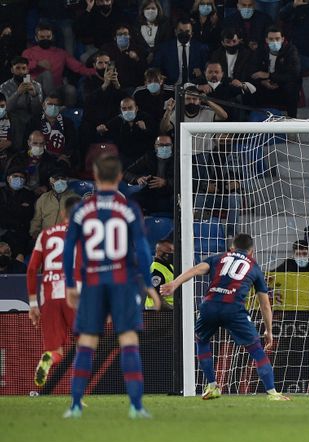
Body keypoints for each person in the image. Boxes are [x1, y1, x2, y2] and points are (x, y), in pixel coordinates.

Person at [61, 156, 162, 419]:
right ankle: (136, 406)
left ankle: (74, 405)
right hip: (122, 281)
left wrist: (71, 284)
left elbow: (69, 248)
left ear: (94, 174)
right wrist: (147, 281)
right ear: (119, 178)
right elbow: (142, 249)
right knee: (127, 339)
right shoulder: (128, 209)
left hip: (93, 281)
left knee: (87, 341)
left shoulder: (82, 210)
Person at [160, 233, 290, 402]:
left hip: (210, 305)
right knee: (256, 350)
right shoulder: (254, 267)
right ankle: (273, 393)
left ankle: (213, 386)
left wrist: (174, 283)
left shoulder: (218, 258)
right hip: (234, 309)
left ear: (232, 248)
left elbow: (196, 270)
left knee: (202, 341)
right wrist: (269, 331)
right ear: (252, 252)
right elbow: (265, 304)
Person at [26, 195, 82, 388]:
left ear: (63, 213)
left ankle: (48, 359)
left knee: (55, 350)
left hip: (50, 298)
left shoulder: (46, 234)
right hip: (75, 296)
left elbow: (32, 269)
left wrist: (33, 305)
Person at [22, 23, 96, 106]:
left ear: (52, 37)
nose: (45, 39)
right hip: (36, 88)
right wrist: (37, 64)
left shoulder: (61, 53)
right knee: (46, 74)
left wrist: (97, 71)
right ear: (36, 38)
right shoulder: (28, 52)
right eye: (42, 37)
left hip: (57, 87)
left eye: (48, 37)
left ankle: (67, 115)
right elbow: (22, 69)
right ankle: (51, 104)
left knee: (70, 90)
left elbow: (78, 67)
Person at [251, 27, 301, 118]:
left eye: (277, 39)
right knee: (249, 87)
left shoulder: (290, 50)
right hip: (264, 86)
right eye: (271, 39)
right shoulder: (260, 51)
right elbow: (253, 72)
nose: (274, 42)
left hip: (282, 85)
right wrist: (262, 82)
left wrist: (269, 76)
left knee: (292, 87)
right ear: (266, 40)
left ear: (282, 39)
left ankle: (292, 120)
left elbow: (293, 74)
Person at [96, 96, 157, 168]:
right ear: (121, 110)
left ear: (136, 108)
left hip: (143, 155)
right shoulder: (118, 120)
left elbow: (154, 136)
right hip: (124, 156)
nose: (127, 111)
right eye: (124, 109)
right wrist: (100, 130)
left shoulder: (146, 118)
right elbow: (105, 131)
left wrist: (145, 129)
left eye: (130, 108)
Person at [124, 135, 175, 215]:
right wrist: (137, 179)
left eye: (167, 145)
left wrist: (165, 182)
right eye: (161, 145)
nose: (164, 148)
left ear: (172, 146)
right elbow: (126, 172)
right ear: (155, 146)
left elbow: (186, 181)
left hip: (171, 193)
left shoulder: (178, 159)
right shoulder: (149, 157)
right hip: (152, 192)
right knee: (133, 199)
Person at [25, 95, 78, 169]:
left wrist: (64, 155)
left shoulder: (68, 123)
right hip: (39, 156)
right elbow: (27, 141)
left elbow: (72, 142)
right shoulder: (33, 121)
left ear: (60, 107)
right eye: (50, 104)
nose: (53, 107)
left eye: (56, 105)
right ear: (43, 105)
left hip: (60, 158)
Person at [151, 17, 210, 85]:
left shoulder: (201, 48)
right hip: (171, 86)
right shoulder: (164, 48)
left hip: (194, 87)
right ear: (175, 32)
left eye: (187, 31)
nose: (184, 34)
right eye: (181, 31)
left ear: (192, 33)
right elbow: (156, 68)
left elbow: (207, 69)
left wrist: (201, 73)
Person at [0, 57, 43, 136]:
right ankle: (17, 148)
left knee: (38, 119)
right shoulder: (4, 87)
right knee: (15, 119)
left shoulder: (36, 85)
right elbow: (5, 109)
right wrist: (18, 93)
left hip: (30, 116)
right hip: (13, 117)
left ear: (27, 70)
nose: (21, 71)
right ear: (12, 70)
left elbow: (38, 111)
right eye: (18, 68)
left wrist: (34, 95)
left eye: (24, 68)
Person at [29, 169, 79, 238]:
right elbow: (36, 219)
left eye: (62, 178)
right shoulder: (44, 198)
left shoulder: (75, 198)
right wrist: (35, 233)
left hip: (65, 238)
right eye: (56, 179)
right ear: (50, 181)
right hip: (46, 238)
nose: (60, 181)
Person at [0, 165, 36, 257]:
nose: (19, 179)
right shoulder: (1, 192)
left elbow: (29, 214)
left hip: (20, 234)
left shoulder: (29, 195)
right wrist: (19, 208)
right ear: (8, 178)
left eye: (21, 177)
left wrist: (9, 208)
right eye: (15, 176)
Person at [100, 24, 149, 92]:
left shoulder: (138, 49)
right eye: (120, 34)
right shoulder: (107, 49)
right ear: (115, 37)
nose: (123, 36)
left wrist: (137, 58)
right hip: (112, 85)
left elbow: (145, 71)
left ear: (129, 36)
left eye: (125, 34)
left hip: (133, 86)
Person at [146, 239, 174, 310]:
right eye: (169, 250)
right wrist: (173, 309)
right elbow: (156, 296)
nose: (172, 253)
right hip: (157, 312)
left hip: (168, 311)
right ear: (159, 252)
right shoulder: (156, 271)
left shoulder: (170, 266)